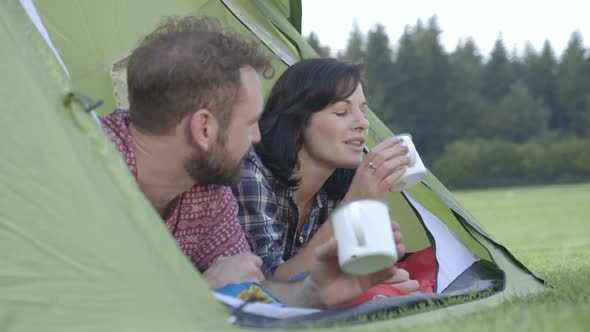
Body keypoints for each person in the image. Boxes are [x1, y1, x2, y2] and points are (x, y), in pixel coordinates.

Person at [101, 15, 406, 309]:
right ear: (204, 129)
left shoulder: (210, 195)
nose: (257, 137)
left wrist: (314, 291)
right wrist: (203, 292)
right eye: (249, 123)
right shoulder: (88, 165)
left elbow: (252, 290)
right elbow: (77, 305)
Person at [233, 58, 419, 294]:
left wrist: (377, 279)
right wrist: (352, 206)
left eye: (363, 111)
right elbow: (266, 286)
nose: (363, 124)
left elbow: (348, 268)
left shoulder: (342, 180)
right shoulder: (251, 172)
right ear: (298, 120)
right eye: (341, 112)